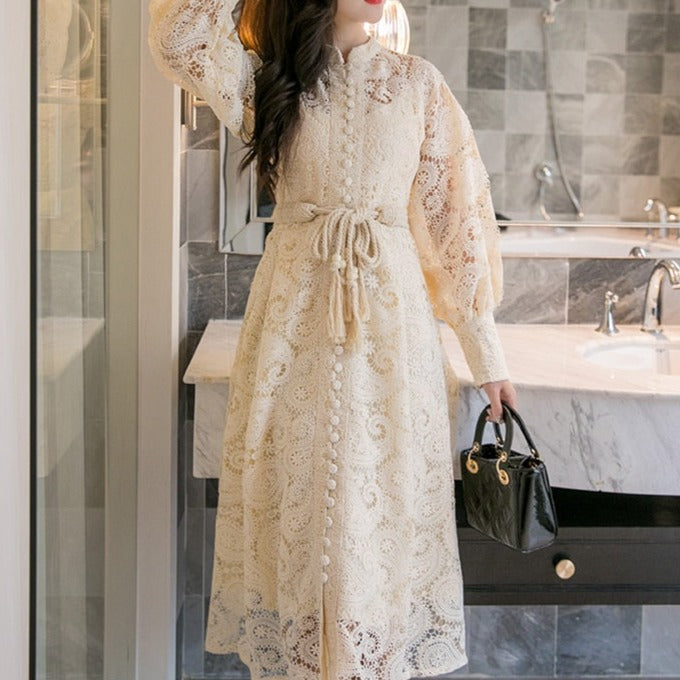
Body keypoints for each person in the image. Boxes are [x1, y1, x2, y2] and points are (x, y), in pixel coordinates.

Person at [148, 0, 518, 677]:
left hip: (392, 340)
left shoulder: (417, 83)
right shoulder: (267, 80)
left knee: (375, 528)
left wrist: (486, 356)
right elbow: (178, 37)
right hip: (292, 332)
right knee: (300, 515)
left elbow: (456, 228)